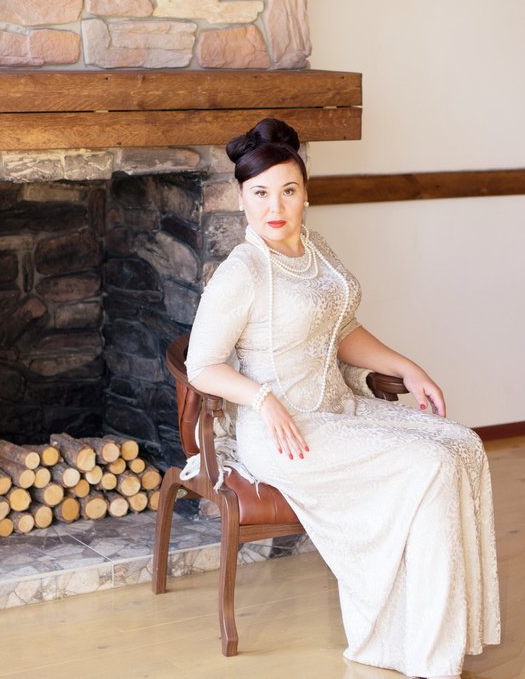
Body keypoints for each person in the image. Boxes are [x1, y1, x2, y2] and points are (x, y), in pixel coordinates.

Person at [185, 118, 500, 679]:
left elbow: (342, 329)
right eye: (260, 193)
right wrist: (262, 399)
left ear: (306, 193)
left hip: (338, 406)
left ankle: (439, 636)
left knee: (463, 446)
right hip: (285, 432)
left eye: (288, 190)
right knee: (429, 463)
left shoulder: (316, 249)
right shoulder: (242, 274)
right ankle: (420, 652)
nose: (275, 206)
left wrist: (406, 366)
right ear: (242, 198)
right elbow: (202, 366)